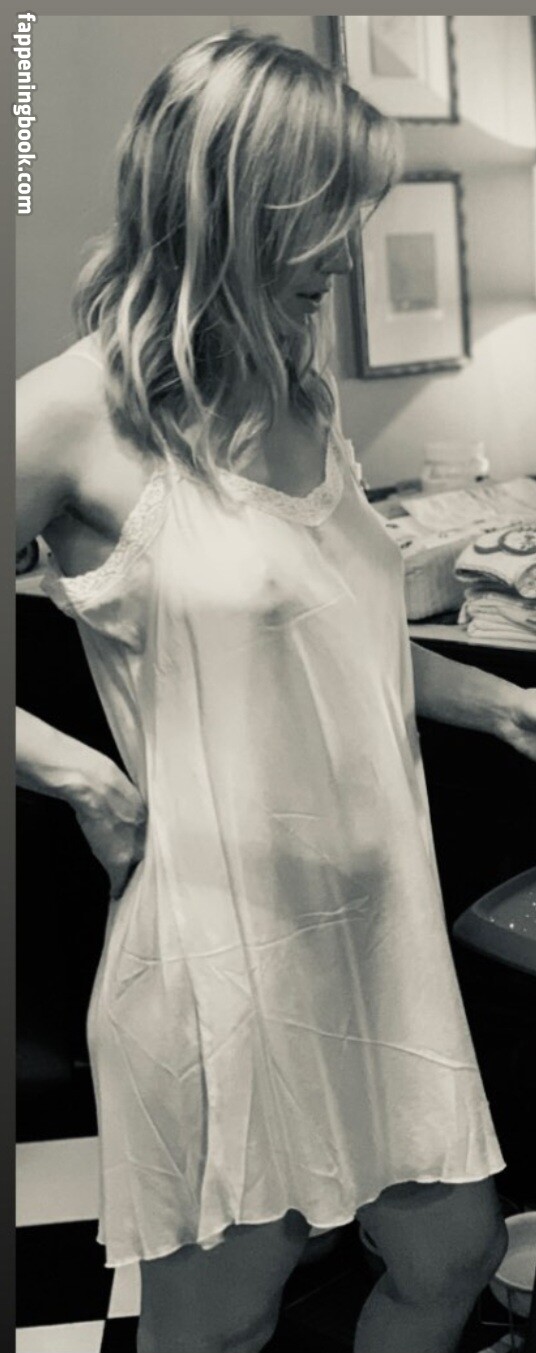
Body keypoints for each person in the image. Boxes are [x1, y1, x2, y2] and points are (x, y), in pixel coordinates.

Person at [16, 29, 536, 1353]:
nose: (350, 251)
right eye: (329, 214)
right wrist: (77, 775)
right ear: (233, 203)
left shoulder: (298, 390)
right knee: (222, 1322)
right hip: (224, 967)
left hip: (376, 942)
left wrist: (506, 705)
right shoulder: (69, 415)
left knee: (453, 1254)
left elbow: (337, 643)